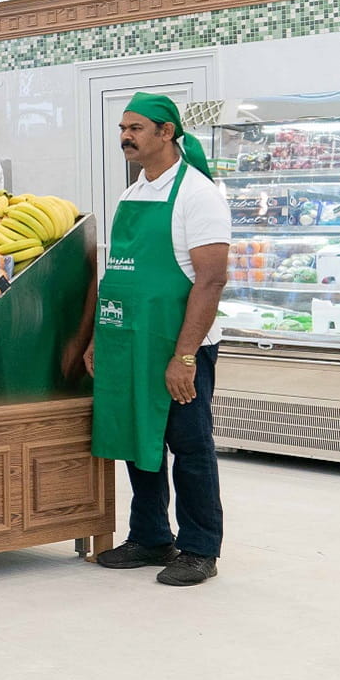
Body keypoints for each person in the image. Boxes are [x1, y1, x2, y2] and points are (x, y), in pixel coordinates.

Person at [88, 93, 231, 588]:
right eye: (123, 128)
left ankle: (198, 548)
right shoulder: (132, 196)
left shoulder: (198, 194)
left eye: (137, 128)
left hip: (180, 347)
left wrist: (185, 355)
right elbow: (121, 276)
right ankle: (150, 536)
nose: (126, 136)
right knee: (138, 440)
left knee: (189, 446)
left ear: (167, 133)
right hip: (132, 343)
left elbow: (210, 281)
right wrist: (97, 339)